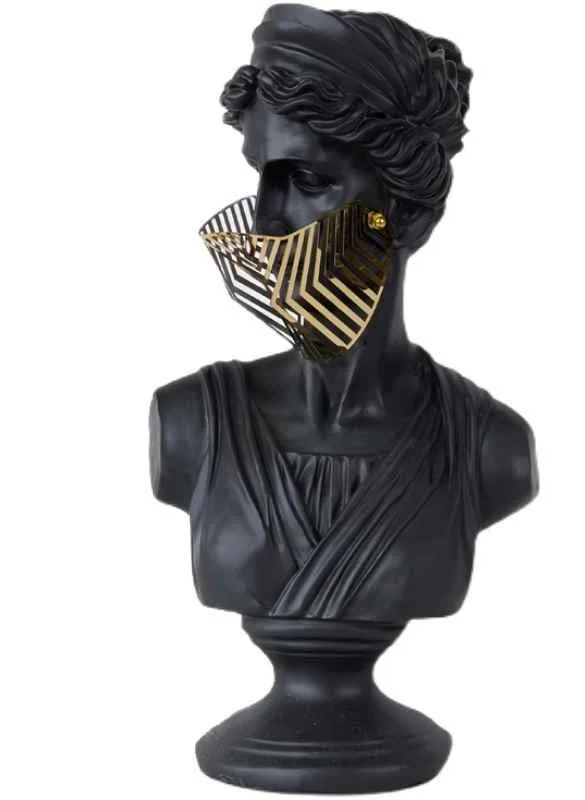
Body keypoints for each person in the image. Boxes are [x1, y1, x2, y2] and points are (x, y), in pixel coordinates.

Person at [149, 3, 538, 623]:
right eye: (261, 176)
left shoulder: (492, 448)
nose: (265, 221)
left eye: (307, 179)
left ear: (406, 209)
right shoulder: (189, 423)